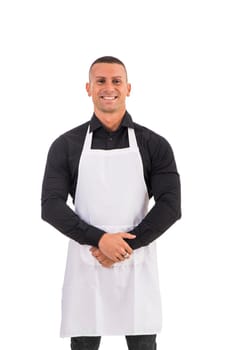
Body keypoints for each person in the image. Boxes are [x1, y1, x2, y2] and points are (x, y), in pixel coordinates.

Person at [41, 56, 181, 350]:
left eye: (116, 81)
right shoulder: (66, 145)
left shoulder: (154, 144)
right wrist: (100, 240)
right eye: (100, 81)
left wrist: (124, 246)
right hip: (87, 261)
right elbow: (51, 205)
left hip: (137, 263)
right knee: (84, 342)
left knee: (143, 342)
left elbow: (170, 205)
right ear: (88, 88)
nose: (109, 87)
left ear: (128, 88)